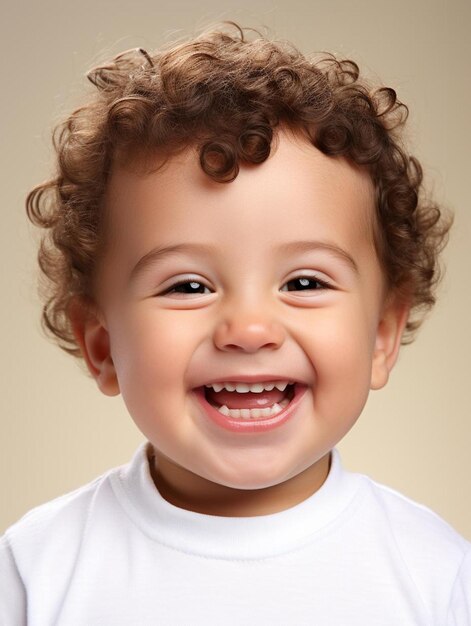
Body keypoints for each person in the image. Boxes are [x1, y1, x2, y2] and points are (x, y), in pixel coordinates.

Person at [1, 22, 469, 625]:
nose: (249, 329)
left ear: (382, 335)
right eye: (188, 286)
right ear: (103, 345)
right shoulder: (37, 572)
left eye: (304, 283)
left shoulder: (435, 575)